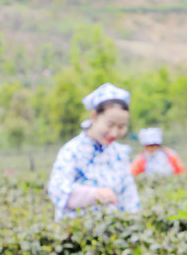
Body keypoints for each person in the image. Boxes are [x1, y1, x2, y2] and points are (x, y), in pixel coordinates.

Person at [47, 82, 140, 221]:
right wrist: (93, 195)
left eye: (121, 127)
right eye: (110, 124)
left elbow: (130, 197)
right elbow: (57, 190)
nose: (114, 132)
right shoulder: (72, 151)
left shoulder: (120, 154)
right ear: (94, 117)